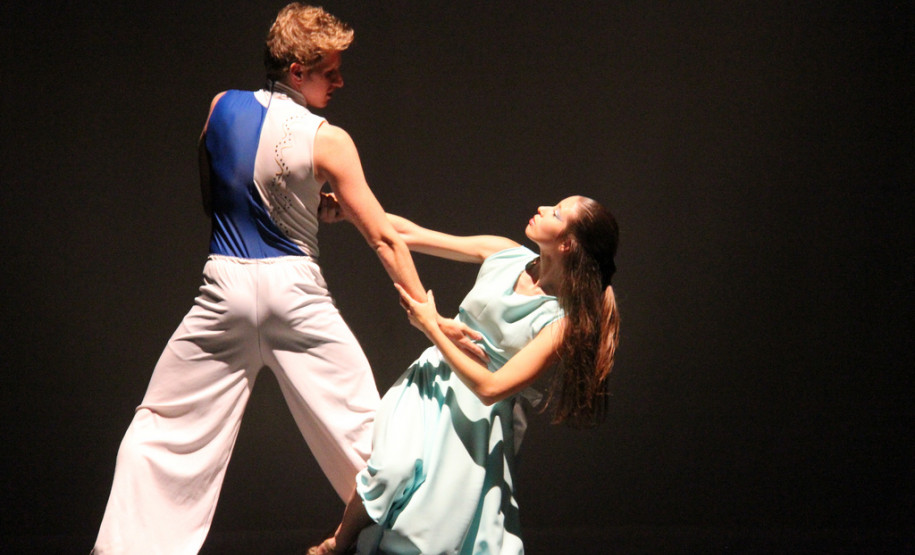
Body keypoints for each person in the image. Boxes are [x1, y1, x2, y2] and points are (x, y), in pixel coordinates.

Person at [92, 4, 478, 553]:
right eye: (329, 72)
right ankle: (420, 545)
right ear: (297, 71)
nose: (339, 81)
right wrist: (429, 316)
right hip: (294, 293)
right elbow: (385, 239)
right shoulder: (328, 138)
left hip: (224, 288)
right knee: (364, 432)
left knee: (163, 428)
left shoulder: (220, 107)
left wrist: (285, 206)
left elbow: (215, 195)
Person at [309, 195, 620, 554]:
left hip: (477, 419)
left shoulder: (560, 322)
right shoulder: (505, 253)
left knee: (432, 530)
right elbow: (411, 234)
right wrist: (352, 211)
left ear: (566, 244)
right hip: (432, 381)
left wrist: (432, 327)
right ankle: (337, 544)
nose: (543, 208)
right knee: (391, 469)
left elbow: (491, 388)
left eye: (557, 213)